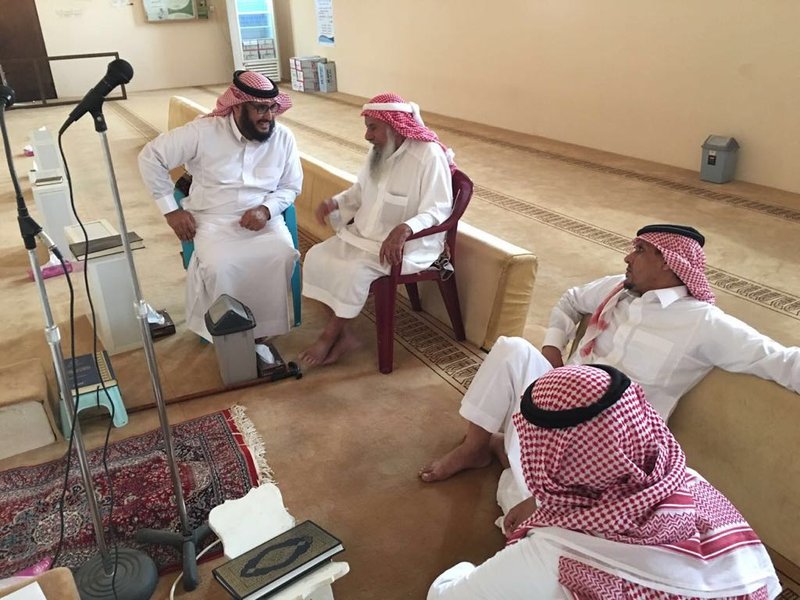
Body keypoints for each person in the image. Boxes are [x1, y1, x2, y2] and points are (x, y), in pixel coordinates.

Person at [419, 224, 800, 498]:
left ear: (668, 263)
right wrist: (552, 347)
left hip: (609, 439)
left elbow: (779, 361)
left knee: (539, 508)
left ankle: (514, 457)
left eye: (640, 251)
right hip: (559, 396)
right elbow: (570, 299)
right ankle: (477, 447)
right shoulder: (617, 289)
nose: (627, 257)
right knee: (512, 348)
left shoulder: (704, 323)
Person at [428, 364, 781, 599]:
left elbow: (446, 595)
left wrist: (466, 568)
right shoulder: (689, 482)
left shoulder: (555, 555)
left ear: (548, 457)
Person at [138, 71, 302, 340]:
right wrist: (172, 211)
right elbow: (150, 157)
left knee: (282, 254)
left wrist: (267, 210)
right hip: (212, 219)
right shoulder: (203, 132)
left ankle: (262, 331)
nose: (268, 117)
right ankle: (226, 331)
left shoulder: (283, 138)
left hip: (263, 218)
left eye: (272, 108)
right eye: (260, 108)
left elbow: (290, 186)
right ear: (237, 107)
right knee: (221, 265)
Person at [299, 92, 456, 366]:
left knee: (352, 273)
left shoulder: (428, 156)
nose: (367, 136)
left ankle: (328, 336)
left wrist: (405, 228)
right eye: (367, 127)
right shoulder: (379, 152)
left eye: (373, 128)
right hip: (365, 237)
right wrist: (335, 203)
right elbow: (361, 191)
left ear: (394, 126)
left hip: (406, 246)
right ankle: (345, 334)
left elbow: (439, 208)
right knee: (316, 256)